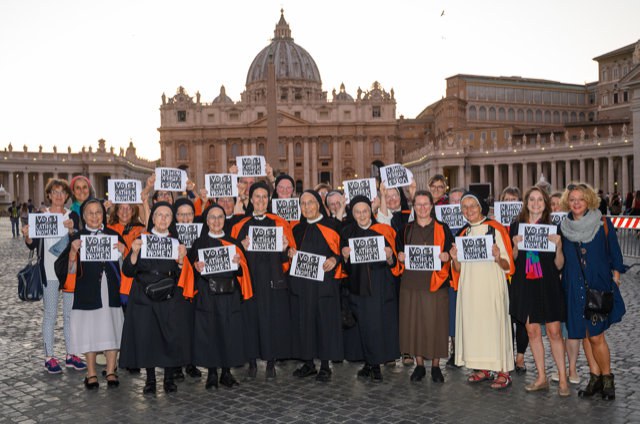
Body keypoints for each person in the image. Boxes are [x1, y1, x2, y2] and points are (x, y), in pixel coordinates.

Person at [560, 183, 625, 401]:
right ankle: (594, 377)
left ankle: (608, 379)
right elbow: (561, 260)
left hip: (597, 285)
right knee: (585, 336)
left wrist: (616, 276)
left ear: (588, 200)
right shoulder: (564, 227)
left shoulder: (602, 223)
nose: (576, 203)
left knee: (596, 336)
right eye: (572, 199)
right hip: (574, 286)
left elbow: (614, 253)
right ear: (567, 202)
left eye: (580, 198)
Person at [118, 201, 190, 394]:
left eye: (167, 215)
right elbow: (128, 270)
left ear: (171, 220)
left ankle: (168, 379)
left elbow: (183, 275)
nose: (163, 219)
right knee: (147, 336)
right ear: (153, 218)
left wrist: (182, 261)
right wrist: (133, 252)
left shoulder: (177, 243)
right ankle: (150, 380)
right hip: (143, 295)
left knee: (169, 336)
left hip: (169, 295)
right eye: (159, 214)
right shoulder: (141, 239)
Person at [54, 199, 126, 389]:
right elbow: (65, 270)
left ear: (104, 215)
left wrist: (125, 251)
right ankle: (91, 373)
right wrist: (72, 252)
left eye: (98, 212)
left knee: (112, 329)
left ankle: (111, 370)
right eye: (90, 213)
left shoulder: (114, 235)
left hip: (110, 291)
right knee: (90, 332)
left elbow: (130, 267)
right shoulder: (76, 237)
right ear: (84, 216)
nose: (95, 216)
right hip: (87, 292)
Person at [450, 193, 515, 389]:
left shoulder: (496, 229)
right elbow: (458, 269)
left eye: (473, 206)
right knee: (476, 327)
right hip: (470, 287)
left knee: (495, 326)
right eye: (465, 207)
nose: (469, 210)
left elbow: (508, 265)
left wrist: (497, 257)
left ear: (481, 208)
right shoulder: (462, 234)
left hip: (492, 285)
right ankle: (484, 368)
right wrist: (454, 258)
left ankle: (503, 371)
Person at [509, 187, 570, 396]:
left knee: (554, 332)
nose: (535, 204)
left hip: (548, 283)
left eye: (540, 200)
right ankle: (542, 376)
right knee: (532, 331)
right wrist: (515, 246)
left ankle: (563, 379)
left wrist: (559, 247)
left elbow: (560, 264)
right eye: (532, 200)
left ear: (545, 204)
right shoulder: (516, 226)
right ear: (526, 202)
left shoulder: (553, 228)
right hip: (524, 284)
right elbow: (513, 260)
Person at [231, 181, 294, 379]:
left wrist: (285, 249)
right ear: (251, 199)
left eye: (264, 197)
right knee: (250, 321)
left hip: (273, 281)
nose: (260, 200)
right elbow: (233, 257)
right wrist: (240, 246)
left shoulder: (280, 223)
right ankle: (251, 363)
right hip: (250, 282)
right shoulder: (240, 225)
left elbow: (290, 257)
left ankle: (270, 363)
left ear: (269, 200)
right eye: (257, 197)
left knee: (272, 321)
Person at [23, 178, 86, 374]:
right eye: (55, 192)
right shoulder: (40, 215)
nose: (59, 196)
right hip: (49, 272)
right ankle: (49, 356)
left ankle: (71, 354)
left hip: (69, 271)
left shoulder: (73, 215)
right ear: (49, 195)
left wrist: (72, 230)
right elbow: (33, 245)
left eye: (62, 192)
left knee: (70, 315)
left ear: (67, 196)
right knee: (50, 315)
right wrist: (27, 235)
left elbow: (80, 241)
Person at [187, 204, 253, 389]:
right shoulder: (199, 243)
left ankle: (226, 373)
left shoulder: (234, 242)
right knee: (210, 333)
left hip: (229, 296)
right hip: (207, 295)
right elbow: (189, 270)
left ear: (225, 220)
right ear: (207, 221)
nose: (216, 221)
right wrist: (195, 267)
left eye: (220, 217)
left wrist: (239, 264)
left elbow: (244, 273)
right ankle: (212, 374)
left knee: (228, 333)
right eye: (212, 217)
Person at [340, 195, 402, 382]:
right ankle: (369, 363)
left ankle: (375, 364)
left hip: (380, 286)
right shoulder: (346, 232)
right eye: (357, 212)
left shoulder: (384, 231)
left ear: (371, 211)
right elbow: (343, 267)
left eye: (365, 211)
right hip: (357, 287)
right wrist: (344, 256)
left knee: (377, 326)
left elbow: (395, 266)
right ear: (353, 213)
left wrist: (390, 257)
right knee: (363, 327)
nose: (362, 215)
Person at [397, 190, 453, 382]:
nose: (422, 208)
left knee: (436, 324)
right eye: (418, 204)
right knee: (414, 325)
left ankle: (436, 365)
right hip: (411, 284)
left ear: (432, 206)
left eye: (425, 204)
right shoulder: (405, 229)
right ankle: (419, 364)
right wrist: (400, 256)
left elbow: (450, 253)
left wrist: (447, 256)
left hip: (436, 284)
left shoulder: (443, 228)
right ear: (414, 207)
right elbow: (397, 254)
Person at [288, 190, 344, 382]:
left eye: (310, 203)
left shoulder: (333, 225)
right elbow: (288, 254)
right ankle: (308, 363)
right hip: (302, 286)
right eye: (303, 204)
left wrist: (334, 260)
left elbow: (343, 252)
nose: (306, 207)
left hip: (325, 286)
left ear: (319, 204)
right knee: (305, 325)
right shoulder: (296, 229)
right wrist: (289, 252)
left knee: (325, 324)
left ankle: (326, 366)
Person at [499, 186, 528, 375]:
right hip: (502, 274)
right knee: (506, 316)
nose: (510, 204)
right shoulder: (495, 224)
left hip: (521, 275)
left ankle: (520, 356)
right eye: (507, 201)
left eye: (514, 201)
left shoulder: (525, 224)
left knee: (521, 317)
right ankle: (508, 354)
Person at [445, 187, 464, 368]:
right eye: (453, 201)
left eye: (460, 201)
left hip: (471, 277)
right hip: (450, 277)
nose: (456, 205)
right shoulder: (442, 226)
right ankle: (455, 350)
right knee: (452, 315)